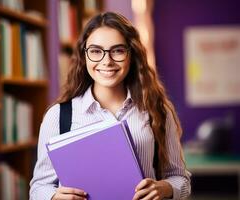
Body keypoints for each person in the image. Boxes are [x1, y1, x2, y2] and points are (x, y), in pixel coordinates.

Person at [30, 12, 191, 200]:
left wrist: (164, 188)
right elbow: (38, 187)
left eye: (117, 50)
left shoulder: (158, 110)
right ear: (84, 55)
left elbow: (182, 179)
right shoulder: (58, 116)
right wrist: (53, 197)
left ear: (132, 54)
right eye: (96, 51)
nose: (107, 61)